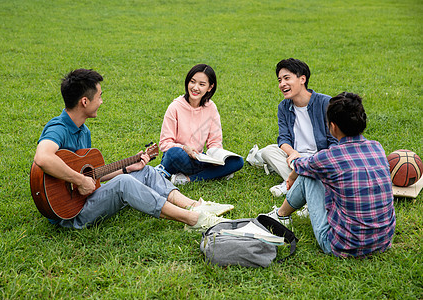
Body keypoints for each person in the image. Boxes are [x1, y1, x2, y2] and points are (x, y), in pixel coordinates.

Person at [33, 68, 233, 231]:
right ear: (84, 102)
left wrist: (128, 167)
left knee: (145, 171)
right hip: (70, 214)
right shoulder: (58, 127)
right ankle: (193, 220)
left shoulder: (82, 130)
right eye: (99, 97)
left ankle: (195, 205)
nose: (101, 101)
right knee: (124, 184)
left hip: (83, 198)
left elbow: (93, 176)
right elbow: (43, 158)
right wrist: (79, 180)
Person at [265, 92, 396, 257]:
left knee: (307, 174)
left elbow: (299, 166)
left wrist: (291, 176)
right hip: (383, 241)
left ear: (333, 126)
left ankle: (281, 215)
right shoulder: (377, 147)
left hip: (340, 246)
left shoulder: (328, 157)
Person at [259, 58, 338, 199]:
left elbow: (334, 140)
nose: (282, 84)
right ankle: (303, 182)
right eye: (279, 80)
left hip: (319, 157)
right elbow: (283, 138)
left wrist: (321, 158)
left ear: (302, 79)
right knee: (268, 151)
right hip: (295, 158)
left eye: (286, 78)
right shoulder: (283, 107)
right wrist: (292, 152)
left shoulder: (325, 102)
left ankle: (292, 184)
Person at [157, 64, 244, 185]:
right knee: (174, 153)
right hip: (179, 156)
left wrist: (216, 157)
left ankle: (187, 179)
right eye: (192, 82)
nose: (195, 87)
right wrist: (184, 148)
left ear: (210, 87)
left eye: (201, 84)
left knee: (237, 161)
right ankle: (214, 173)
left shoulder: (211, 108)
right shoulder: (175, 107)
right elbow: (164, 143)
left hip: (198, 158)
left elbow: (215, 142)